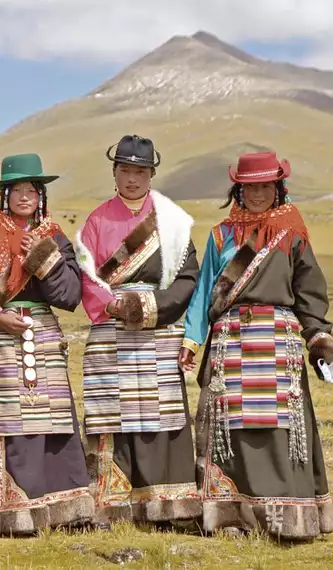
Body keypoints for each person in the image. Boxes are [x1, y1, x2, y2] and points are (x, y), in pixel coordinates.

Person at [179, 151, 333, 540]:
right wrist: (192, 339)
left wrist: (318, 336)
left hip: (276, 339)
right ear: (238, 189)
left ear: (278, 188)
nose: (258, 194)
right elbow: (204, 293)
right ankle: (233, 518)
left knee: (282, 427)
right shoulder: (220, 235)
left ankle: (289, 518)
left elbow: (309, 291)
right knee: (232, 428)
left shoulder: (292, 233)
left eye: (266, 186)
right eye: (250, 187)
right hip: (230, 341)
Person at [0, 152, 94, 537]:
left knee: (51, 422)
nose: (24, 196)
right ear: (4, 193)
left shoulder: (54, 235)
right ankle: (4, 511)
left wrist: (43, 257)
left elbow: (70, 295)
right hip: (0, 337)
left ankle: (60, 510)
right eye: (16, 189)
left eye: (31, 189)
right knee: (7, 425)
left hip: (44, 335)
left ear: (41, 193)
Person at [74, 135, 202, 525]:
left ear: (151, 174)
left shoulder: (173, 221)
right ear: (115, 172)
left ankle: (169, 505)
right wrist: (113, 305)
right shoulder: (97, 220)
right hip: (111, 329)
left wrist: (150, 308)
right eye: (126, 170)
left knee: (160, 413)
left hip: (158, 328)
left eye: (140, 172)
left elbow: (187, 277)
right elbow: (86, 275)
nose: (132, 178)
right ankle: (114, 506)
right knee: (113, 415)